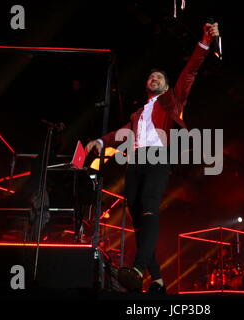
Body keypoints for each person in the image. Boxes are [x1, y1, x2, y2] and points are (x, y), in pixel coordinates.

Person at [85, 22, 220, 293]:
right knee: (139, 221)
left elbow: (190, 70)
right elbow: (122, 132)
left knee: (148, 209)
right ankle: (157, 279)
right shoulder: (138, 114)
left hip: (158, 159)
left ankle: (137, 269)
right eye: (151, 77)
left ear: (168, 86)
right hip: (135, 163)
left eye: (159, 77)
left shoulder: (172, 100)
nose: (154, 79)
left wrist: (204, 42)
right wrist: (100, 141)